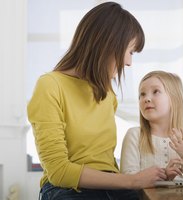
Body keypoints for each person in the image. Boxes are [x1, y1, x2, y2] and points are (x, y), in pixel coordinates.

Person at [27, 2, 166, 200]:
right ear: (108, 45)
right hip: (66, 189)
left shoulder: (108, 94)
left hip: (113, 187)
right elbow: (59, 171)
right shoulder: (50, 86)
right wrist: (133, 180)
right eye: (130, 51)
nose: (129, 62)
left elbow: (106, 163)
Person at [120, 70, 183, 181]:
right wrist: (164, 176)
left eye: (156, 91)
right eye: (142, 94)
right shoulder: (134, 135)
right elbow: (128, 180)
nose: (146, 99)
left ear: (175, 99)